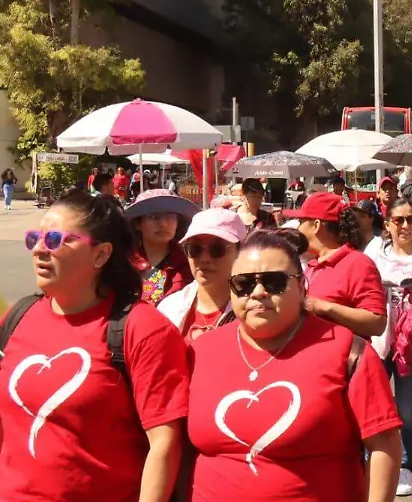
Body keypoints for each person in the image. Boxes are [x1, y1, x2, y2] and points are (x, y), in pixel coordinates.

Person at [186, 228, 402, 502]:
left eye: (274, 282)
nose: (258, 292)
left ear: (301, 287)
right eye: (244, 283)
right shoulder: (200, 351)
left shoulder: (346, 351)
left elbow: (384, 444)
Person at [0, 191, 190, 501]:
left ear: (101, 254)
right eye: (35, 237)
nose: (38, 250)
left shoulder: (142, 329)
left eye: (55, 240)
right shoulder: (20, 316)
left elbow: (164, 445)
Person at [365, 197, 412, 496]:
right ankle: (372, 459)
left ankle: (406, 466)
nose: (406, 226)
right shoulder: (376, 252)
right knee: (372, 404)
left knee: (407, 408)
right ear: (388, 225)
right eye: (399, 220)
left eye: (411, 219)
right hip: (379, 338)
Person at [283, 192, 387, 338]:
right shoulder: (314, 263)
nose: (298, 228)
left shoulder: (358, 263)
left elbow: (377, 324)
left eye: (301, 222)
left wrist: (323, 307)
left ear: (316, 225)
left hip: (342, 357)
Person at [158, 208, 245, 343]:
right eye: (195, 249)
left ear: (240, 251)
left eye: (217, 249)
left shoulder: (253, 311)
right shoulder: (169, 309)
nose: (204, 259)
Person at [126, 188, 197, 305]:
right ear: (138, 223)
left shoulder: (190, 263)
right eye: (154, 217)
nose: (163, 224)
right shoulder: (125, 264)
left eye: (171, 216)